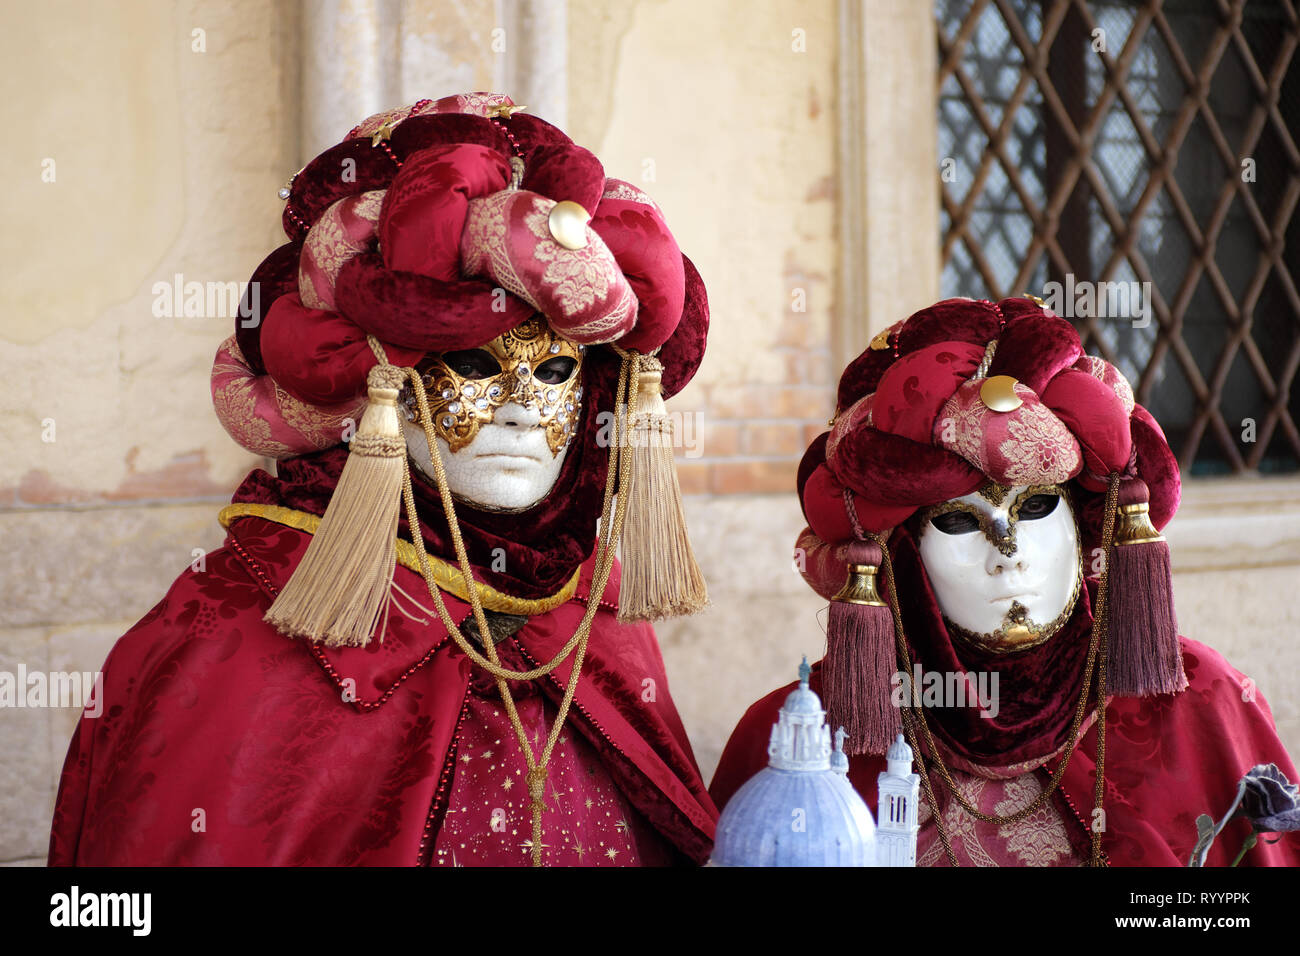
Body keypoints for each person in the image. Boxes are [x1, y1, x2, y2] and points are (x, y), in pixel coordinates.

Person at [49, 92, 717, 866]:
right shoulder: (229, 630)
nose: (520, 412)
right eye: (470, 366)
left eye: (557, 371)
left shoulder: (595, 611)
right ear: (378, 385)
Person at [710, 295, 1299, 866]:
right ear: (900, 552)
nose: (1008, 555)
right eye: (960, 521)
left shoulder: (1200, 702)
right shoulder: (800, 739)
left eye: (1038, 507)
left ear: (1085, 520)